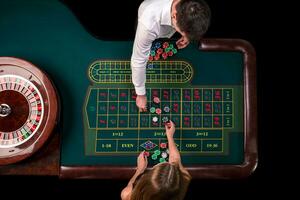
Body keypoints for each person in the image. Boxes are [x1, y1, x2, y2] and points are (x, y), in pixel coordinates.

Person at [131, 0, 211, 111]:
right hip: (148, 16)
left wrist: (187, 36)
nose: (182, 34)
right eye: (182, 32)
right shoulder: (148, 25)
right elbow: (138, 60)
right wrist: (140, 94)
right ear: (174, 16)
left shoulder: (186, 7)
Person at [121, 121, 191, 200]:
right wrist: (170, 136)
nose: (163, 162)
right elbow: (175, 161)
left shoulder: (128, 196)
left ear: (144, 182)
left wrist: (139, 171)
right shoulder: (184, 181)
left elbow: (130, 187)